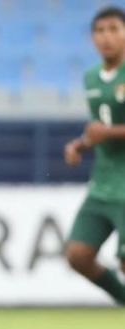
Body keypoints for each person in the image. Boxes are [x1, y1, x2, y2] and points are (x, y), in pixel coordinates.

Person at [64, 6, 125, 306]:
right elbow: (103, 125)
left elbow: (108, 129)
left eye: (114, 29)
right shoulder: (91, 78)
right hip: (103, 183)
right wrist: (81, 144)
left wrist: (106, 134)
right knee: (78, 254)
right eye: (100, 31)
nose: (107, 37)